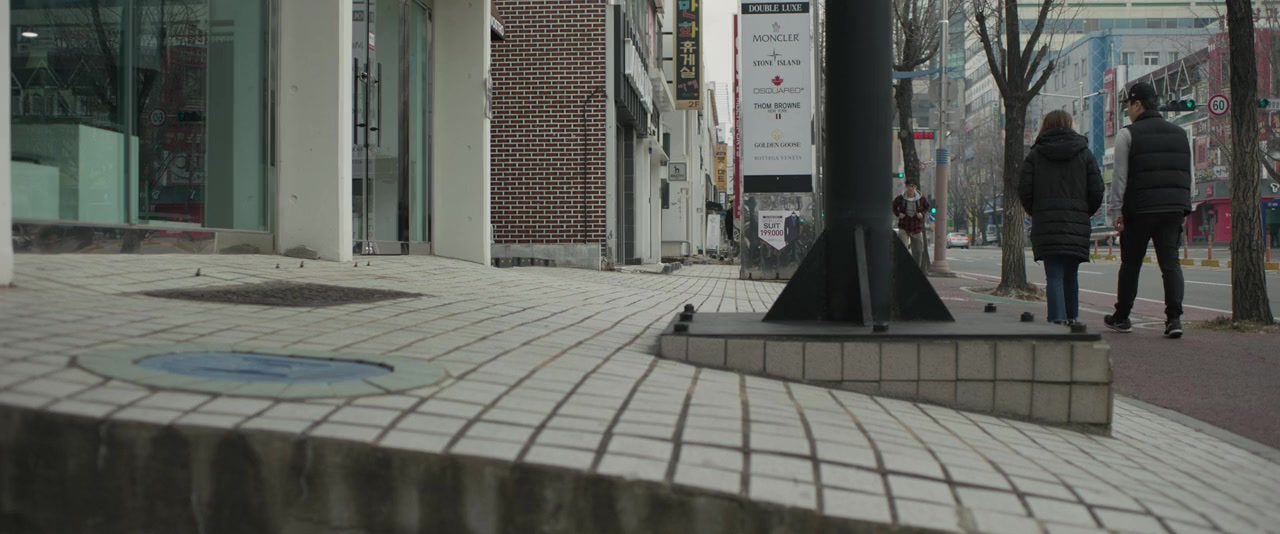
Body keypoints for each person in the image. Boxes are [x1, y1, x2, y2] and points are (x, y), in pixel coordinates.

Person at [1104, 82, 1193, 339]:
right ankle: (1174, 320)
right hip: (1173, 208)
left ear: (1138, 104)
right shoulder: (1180, 133)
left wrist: (1116, 211)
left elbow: (1120, 177)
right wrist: (1185, 205)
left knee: (1131, 264)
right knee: (1170, 264)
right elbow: (1189, 174)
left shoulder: (1127, 134)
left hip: (1140, 209)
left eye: (1129, 106)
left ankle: (1122, 317)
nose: (1128, 112)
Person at [1019, 110, 1104, 326]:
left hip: (1046, 223)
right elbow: (1097, 190)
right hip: (1076, 223)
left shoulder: (1035, 155)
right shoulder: (1084, 153)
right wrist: (1083, 212)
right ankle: (1072, 316)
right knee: (1071, 273)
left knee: (1054, 274)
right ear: (1069, 124)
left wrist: (1035, 211)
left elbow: (1024, 190)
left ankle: (1057, 319)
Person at [893, 179, 931, 266]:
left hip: (916, 227)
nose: (910, 188)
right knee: (902, 248)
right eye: (908, 186)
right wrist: (898, 214)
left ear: (915, 187)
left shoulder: (921, 199)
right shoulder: (900, 198)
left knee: (918, 250)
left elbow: (927, 206)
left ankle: (916, 268)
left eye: (912, 186)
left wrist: (922, 214)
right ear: (906, 187)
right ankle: (903, 267)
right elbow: (893, 206)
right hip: (904, 225)